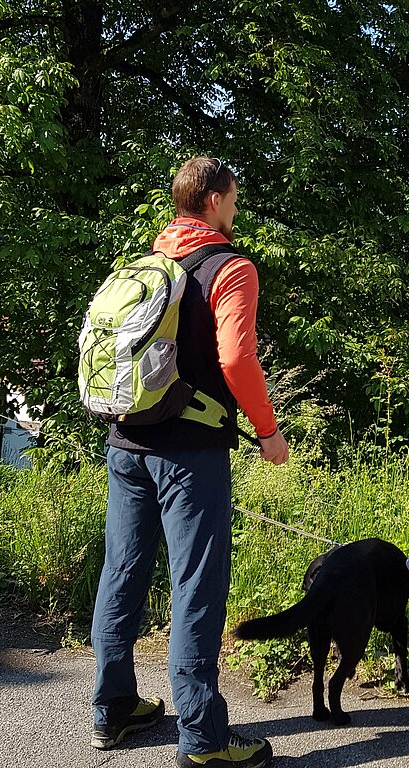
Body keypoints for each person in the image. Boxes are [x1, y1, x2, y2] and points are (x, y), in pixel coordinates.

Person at [90, 156, 288, 768]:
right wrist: (267, 429)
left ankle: (112, 710)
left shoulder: (147, 263)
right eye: (232, 197)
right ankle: (203, 740)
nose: (236, 206)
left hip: (125, 441)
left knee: (121, 571)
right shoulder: (232, 267)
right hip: (191, 452)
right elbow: (236, 360)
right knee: (196, 585)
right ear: (213, 200)